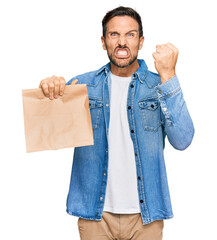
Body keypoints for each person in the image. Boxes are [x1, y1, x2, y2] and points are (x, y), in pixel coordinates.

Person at [39, 6, 194, 240]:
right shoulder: (81, 86)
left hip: (146, 217)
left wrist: (169, 76)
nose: (122, 42)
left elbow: (183, 140)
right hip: (95, 216)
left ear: (141, 42)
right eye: (114, 35)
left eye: (130, 35)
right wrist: (49, 91)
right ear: (103, 41)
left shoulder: (158, 85)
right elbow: (49, 132)